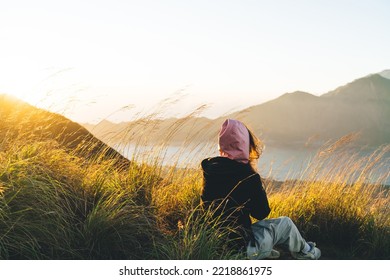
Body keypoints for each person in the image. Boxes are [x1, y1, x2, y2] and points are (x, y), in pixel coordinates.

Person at [201, 119, 321, 260]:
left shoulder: (210, 170)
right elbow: (261, 213)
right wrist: (256, 185)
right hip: (241, 251)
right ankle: (307, 252)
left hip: (214, 246)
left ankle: (265, 250)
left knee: (250, 230)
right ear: (245, 143)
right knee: (285, 223)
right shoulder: (247, 176)